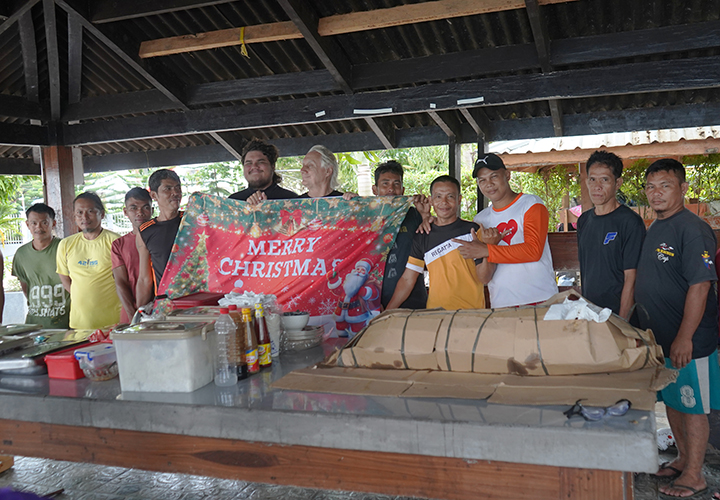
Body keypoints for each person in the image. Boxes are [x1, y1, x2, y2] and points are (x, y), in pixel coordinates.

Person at [634, 158, 719, 499]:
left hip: (690, 341)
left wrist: (685, 337)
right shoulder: (656, 226)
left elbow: (700, 286)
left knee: (692, 405)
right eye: (651, 187)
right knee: (672, 400)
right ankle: (683, 459)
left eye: (665, 186)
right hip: (661, 339)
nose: (656, 193)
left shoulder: (692, 229)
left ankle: (695, 476)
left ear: (682, 188)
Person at [455, 153, 557, 308]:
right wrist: (489, 248)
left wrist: (487, 250)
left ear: (507, 175)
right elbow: (484, 277)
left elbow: (533, 251)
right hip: (502, 303)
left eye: (494, 176)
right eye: (482, 180)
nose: (489, 184)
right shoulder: (480, 219)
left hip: (540, 298)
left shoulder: (531, 204)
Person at [386, 175, 487, 310]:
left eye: (450, 196)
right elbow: (408, 279)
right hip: (435, 314)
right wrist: (388, 311)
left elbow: (485, 276)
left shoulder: (473, 231)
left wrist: (489, 249)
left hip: (471, 313)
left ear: (459, 199)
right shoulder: (423, 235)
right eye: (438, 196)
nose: (444, 202)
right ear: (431, 200)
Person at [577, 151, 645, 318]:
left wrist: (622, 323)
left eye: (605, 180)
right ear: (586, 182)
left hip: (618, 315)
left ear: (617, 183)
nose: (597, 186)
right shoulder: (583, 221)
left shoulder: (630, 222)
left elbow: (631, 278)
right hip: (591, 314)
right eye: (592, 179)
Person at [56, 192, 121, 330]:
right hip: (79, 323)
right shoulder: (66, 244)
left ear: (101, 214)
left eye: (90, 211)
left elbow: (125, 279)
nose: (84, 217)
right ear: (74, 216)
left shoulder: (115, 241)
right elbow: (64, 277)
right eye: (79, 212)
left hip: (112, 323)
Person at [373, 160, 428, 309]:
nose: (391, 188)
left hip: (414, 301)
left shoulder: (414, 215)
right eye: (385, 183)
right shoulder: (366, 218)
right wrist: (348, 202)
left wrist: (425, 215)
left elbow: (430, 245)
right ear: (374, 189)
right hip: (373, 301)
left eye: (396, 184)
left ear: (403, 190)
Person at [11, 204, 70, 328]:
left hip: (66, 324)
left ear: (53, 223)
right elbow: (25, 285)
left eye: (44, 223)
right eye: (34, 223)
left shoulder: (65, 248)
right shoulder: (21, 254)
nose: (38, 227)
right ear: (27, 225)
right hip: (34, 326)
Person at [136, 169, 183, 307]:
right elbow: (144, 279)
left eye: (178, 188)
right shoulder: (145, 231)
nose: (175, 193)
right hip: (166, 304)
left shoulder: (193, 220)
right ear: (154, 195)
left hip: (199, 299)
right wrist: (139, 313)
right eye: (168, 189)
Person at [112, 188, 152, 323]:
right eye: (133, 208)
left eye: (145, 207)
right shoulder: (119, 244)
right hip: (131, 313)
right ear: (125, 212)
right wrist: (132, 316)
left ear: (152, 210)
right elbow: (120, 282)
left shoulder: (162, 238)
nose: (140, 212)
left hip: (159, 310)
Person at [228, 139, 298, 203]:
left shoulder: (292, 200)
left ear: (273, 166)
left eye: (260, 162)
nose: (254, 166)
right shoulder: (233, 202)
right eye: (248, 163)